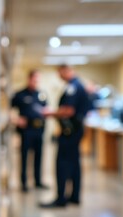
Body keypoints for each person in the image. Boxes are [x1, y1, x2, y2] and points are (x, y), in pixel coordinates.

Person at [39, 64, 89, 208]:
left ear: (67, 70)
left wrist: (51, 113)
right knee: (74, 164)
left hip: (70, 132)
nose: (59, 76)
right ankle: (74, 196)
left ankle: (61, 198)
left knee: (62, 163)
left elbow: (68, 111)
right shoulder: (76, 85)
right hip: (75, 130)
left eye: (60, 73)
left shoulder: (73, 87)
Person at [11, 70, 48, 192]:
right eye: (34, 79)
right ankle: (24, 183)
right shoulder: (20, 94)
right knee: (24, 157)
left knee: (39, 157)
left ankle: (37, 181)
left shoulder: (42, 94)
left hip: (39, 129)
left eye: (38, 80)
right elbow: (8, 109)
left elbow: (46, 110)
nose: (36, 82)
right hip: (26, 130)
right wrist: (16, 119)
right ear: (29, 79)